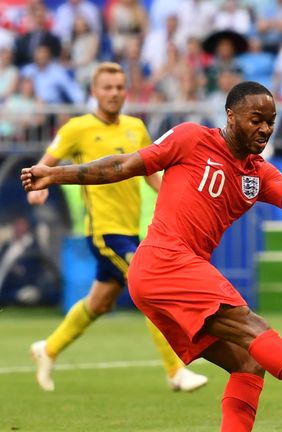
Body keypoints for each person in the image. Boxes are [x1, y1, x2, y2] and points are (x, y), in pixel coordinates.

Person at [21, 80, 282, 432]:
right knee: (253, 327)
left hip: (172, 272)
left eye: (270, 121)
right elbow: (123, 165)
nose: (265, 129)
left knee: (248, 363)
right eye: (256, 119)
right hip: (163, 259)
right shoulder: (190, 138)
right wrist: (55, 174)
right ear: (231, 115)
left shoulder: (259, 173)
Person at [27, 62, 208, 393]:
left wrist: (179, 196)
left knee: (99, 303)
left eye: (119, 87)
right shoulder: (77, 129)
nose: (114, 93)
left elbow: (150, 173)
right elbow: (45, 165)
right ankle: (175, 370)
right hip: (104, 231)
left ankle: (48, 348)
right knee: (152, 284)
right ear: (94, 92)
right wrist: (39, 186)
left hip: (129, 229)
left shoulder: (135, 127)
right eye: (107, 87)